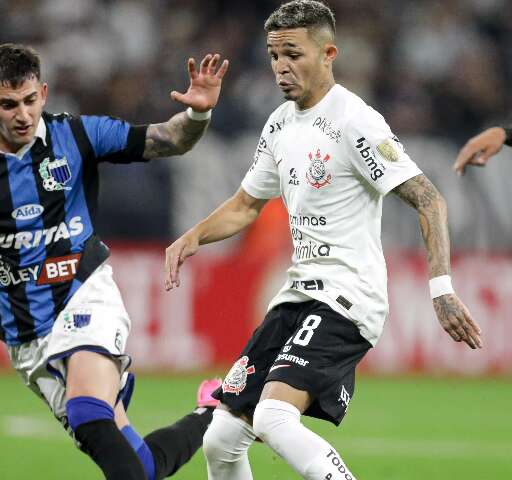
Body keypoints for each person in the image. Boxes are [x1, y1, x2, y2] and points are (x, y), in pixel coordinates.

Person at [164, 2, 483, 479]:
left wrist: (441, 289)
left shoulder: (355, 121)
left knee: (273, 416)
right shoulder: (280, 124)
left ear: (328, 52)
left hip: (348, 297)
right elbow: (245, 205)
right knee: (222, 438)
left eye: (293, 53)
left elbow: (429, 200)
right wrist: (192, 236)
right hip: (298, 294)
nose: (280, 67)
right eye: (274, 55)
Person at [0, 43, 228, 480]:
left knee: (88, 410)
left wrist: (198, 114)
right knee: (140, 467)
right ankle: (219, 412)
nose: (23, 114)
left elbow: (168, 139)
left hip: (85, 293)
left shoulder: (75, 135)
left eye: (31, 100)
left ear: (44, 93)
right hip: (27, 335)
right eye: (8, 104)